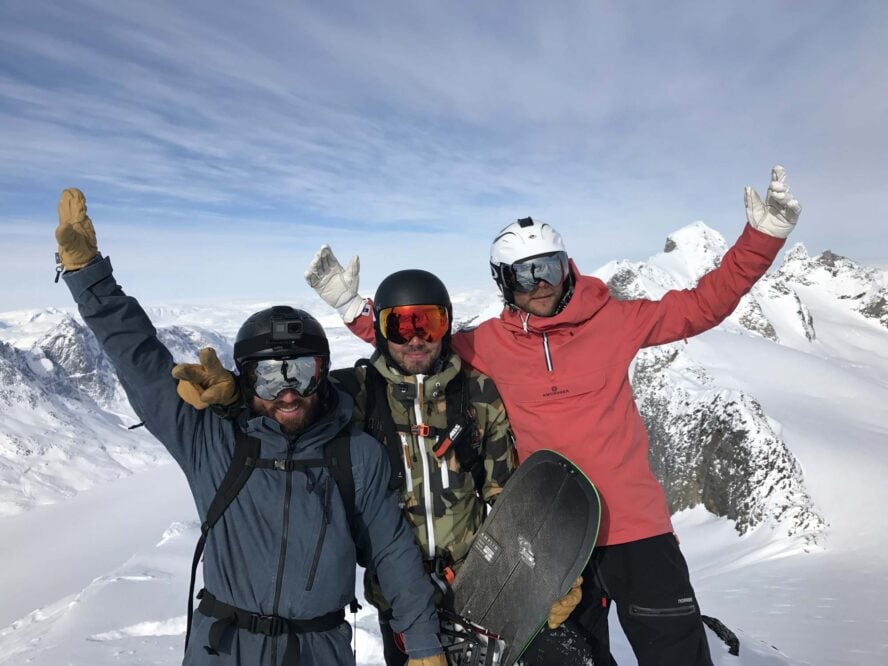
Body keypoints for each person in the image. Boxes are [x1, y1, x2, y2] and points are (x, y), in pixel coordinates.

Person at [302, 166, 803, 665]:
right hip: (552, 537)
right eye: (524, 274)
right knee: (580, 657)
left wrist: (764, 237)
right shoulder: (490, 345)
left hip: (635, 528)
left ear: (568, 266)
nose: (539, 284)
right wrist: (352, 308)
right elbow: (418, 348)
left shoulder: (615, 321)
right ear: (504, 282)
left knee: (676, 654)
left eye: (549, 267)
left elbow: (701, 307)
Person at [53, 188, 447, 666]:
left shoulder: (354, 453)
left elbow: (390, 552)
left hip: (318, 651)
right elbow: (137, 357)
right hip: (222, 649)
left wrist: (424, 646)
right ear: (244, 377)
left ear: (323, 374)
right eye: (269, 373)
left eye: (301, 372)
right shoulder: (211, 440)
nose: (287, 391)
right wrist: (86, 275)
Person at [176, 269, 586, 665]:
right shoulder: (354, 393)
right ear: (382, 332)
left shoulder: (476, 394)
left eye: (429, 323)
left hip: (478, 584)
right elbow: (289, 397)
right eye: (400, 326)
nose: (416, 339)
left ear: (447, 326)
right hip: (397, 598)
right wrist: (233, 398)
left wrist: (541, 577)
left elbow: (508, 496)